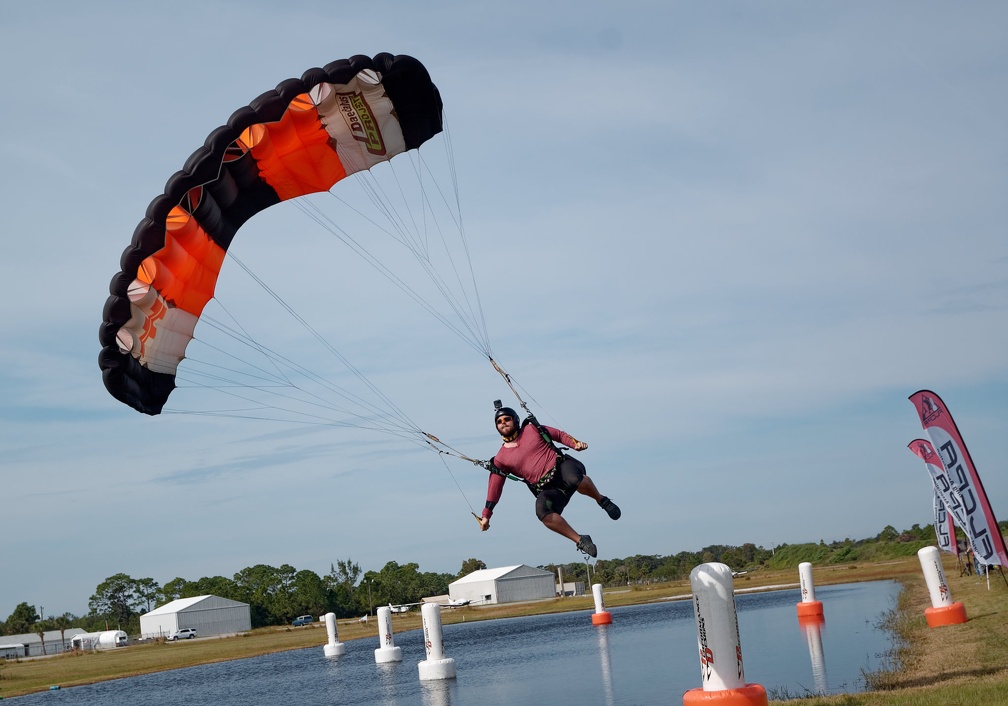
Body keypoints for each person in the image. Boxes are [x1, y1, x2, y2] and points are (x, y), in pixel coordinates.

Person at [477, 403, 620, 558]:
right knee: (542, 512)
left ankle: (602, 500)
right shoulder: (500, 459)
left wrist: (575, 444)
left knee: (574, 479)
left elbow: (558, 435)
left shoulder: (531, 429)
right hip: (548, 488)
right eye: (499, 421)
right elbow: (494, 488)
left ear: (516, 420)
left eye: (507, 419)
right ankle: (580, 540)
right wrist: (486, 516)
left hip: (563, 467)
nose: (503, 422)